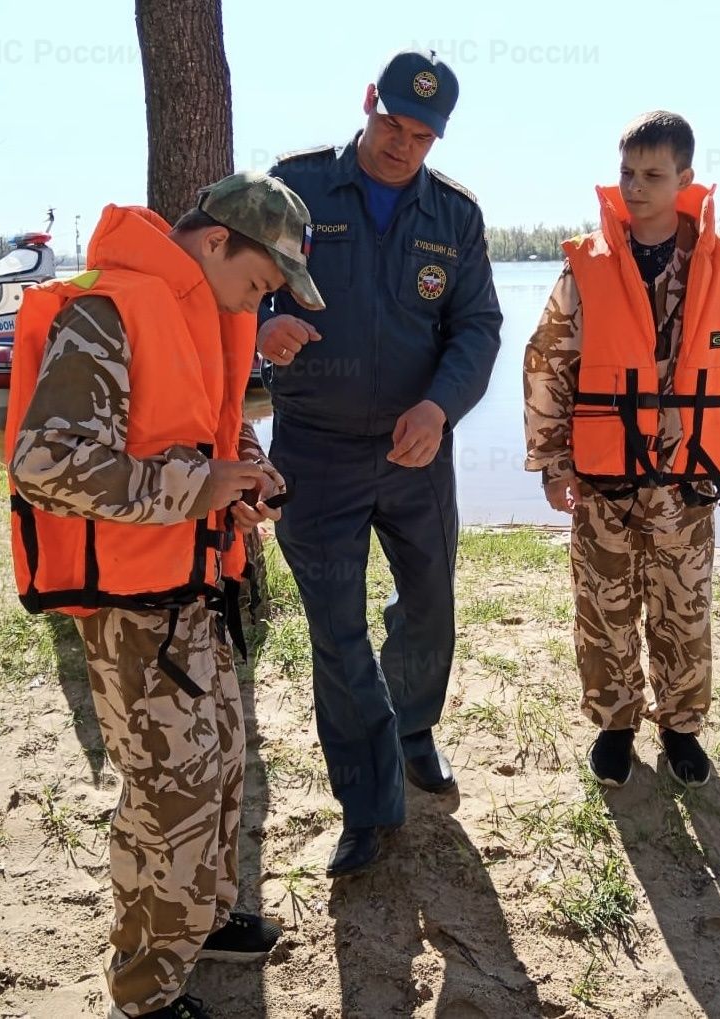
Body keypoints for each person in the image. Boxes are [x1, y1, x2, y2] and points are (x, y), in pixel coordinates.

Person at [5, 171, 325, 1019]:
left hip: (191, 591)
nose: (257, 304)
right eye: (259, 284)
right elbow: (44, 465)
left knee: (219, 770)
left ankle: (204, 920)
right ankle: (145, 990)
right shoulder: (107, 309)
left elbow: (199, 431)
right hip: (131, 610)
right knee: (167, 798)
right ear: (217, 241)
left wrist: (245, 474)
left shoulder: (200, 309)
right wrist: (197, 485)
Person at [258, 48, 502, 877]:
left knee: (429, 604)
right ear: (368, 102)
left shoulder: (456, 216)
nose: (402, 144)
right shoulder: (294, 190)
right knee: (337, 627)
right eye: (392, 123)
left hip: (416, 450)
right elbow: (232, 282)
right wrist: (260, 333)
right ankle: (364, 803)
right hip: (314, 451)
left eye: (422, 134)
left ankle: (413, 731)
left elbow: (476, 328)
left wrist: (441, 407)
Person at [523, 111, 720, 789]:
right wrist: (551, 460)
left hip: (687, 483)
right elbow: (548, 362)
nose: (635, 186)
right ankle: (614, 724)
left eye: (652, 175)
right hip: (604, 482)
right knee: (604, 609)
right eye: (627, 172)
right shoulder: (587, 265)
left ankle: (683, 728)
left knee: (682, 611)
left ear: (684, 179)